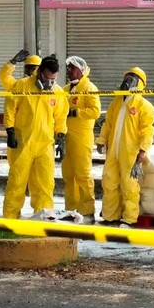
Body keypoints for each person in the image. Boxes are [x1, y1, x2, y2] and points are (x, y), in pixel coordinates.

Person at [3, 56, 68, 219]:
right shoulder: (22, 86)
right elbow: (10, 108)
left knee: (45, 184)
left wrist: (61, 138)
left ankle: (43, 217)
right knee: (17, 182)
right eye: (47, 77)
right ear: (39, 72)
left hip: (45, 144)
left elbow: (60, 117)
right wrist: (10, 130)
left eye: (53, 79)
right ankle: (10, 217)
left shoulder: (58, 92)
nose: (49, 82)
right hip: (23, 142)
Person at [96, 67, 154, 228]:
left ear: (140, 83)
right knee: (109, 182)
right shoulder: (117, 101)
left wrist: (143, 150)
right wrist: (101, 140)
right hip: (113, 151)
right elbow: (108, 123)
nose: (128, 81)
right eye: (127, 77)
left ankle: (129, 218)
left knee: (129, 185)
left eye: (133, 78)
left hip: (131, 153)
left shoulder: (144, 105)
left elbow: (147, 130)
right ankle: (110, 216)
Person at [61, 56, 101, 224]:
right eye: (68, 68)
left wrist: (76, 113)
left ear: (80, 70)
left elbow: (95, 111)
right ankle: (71, 209)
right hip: (67, 137)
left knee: (83, 175)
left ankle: (88, 211)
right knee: (68, 175)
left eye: (72, 68)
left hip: (82, 137)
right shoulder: (65, 89)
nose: (69, 71)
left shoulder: (89, 88)